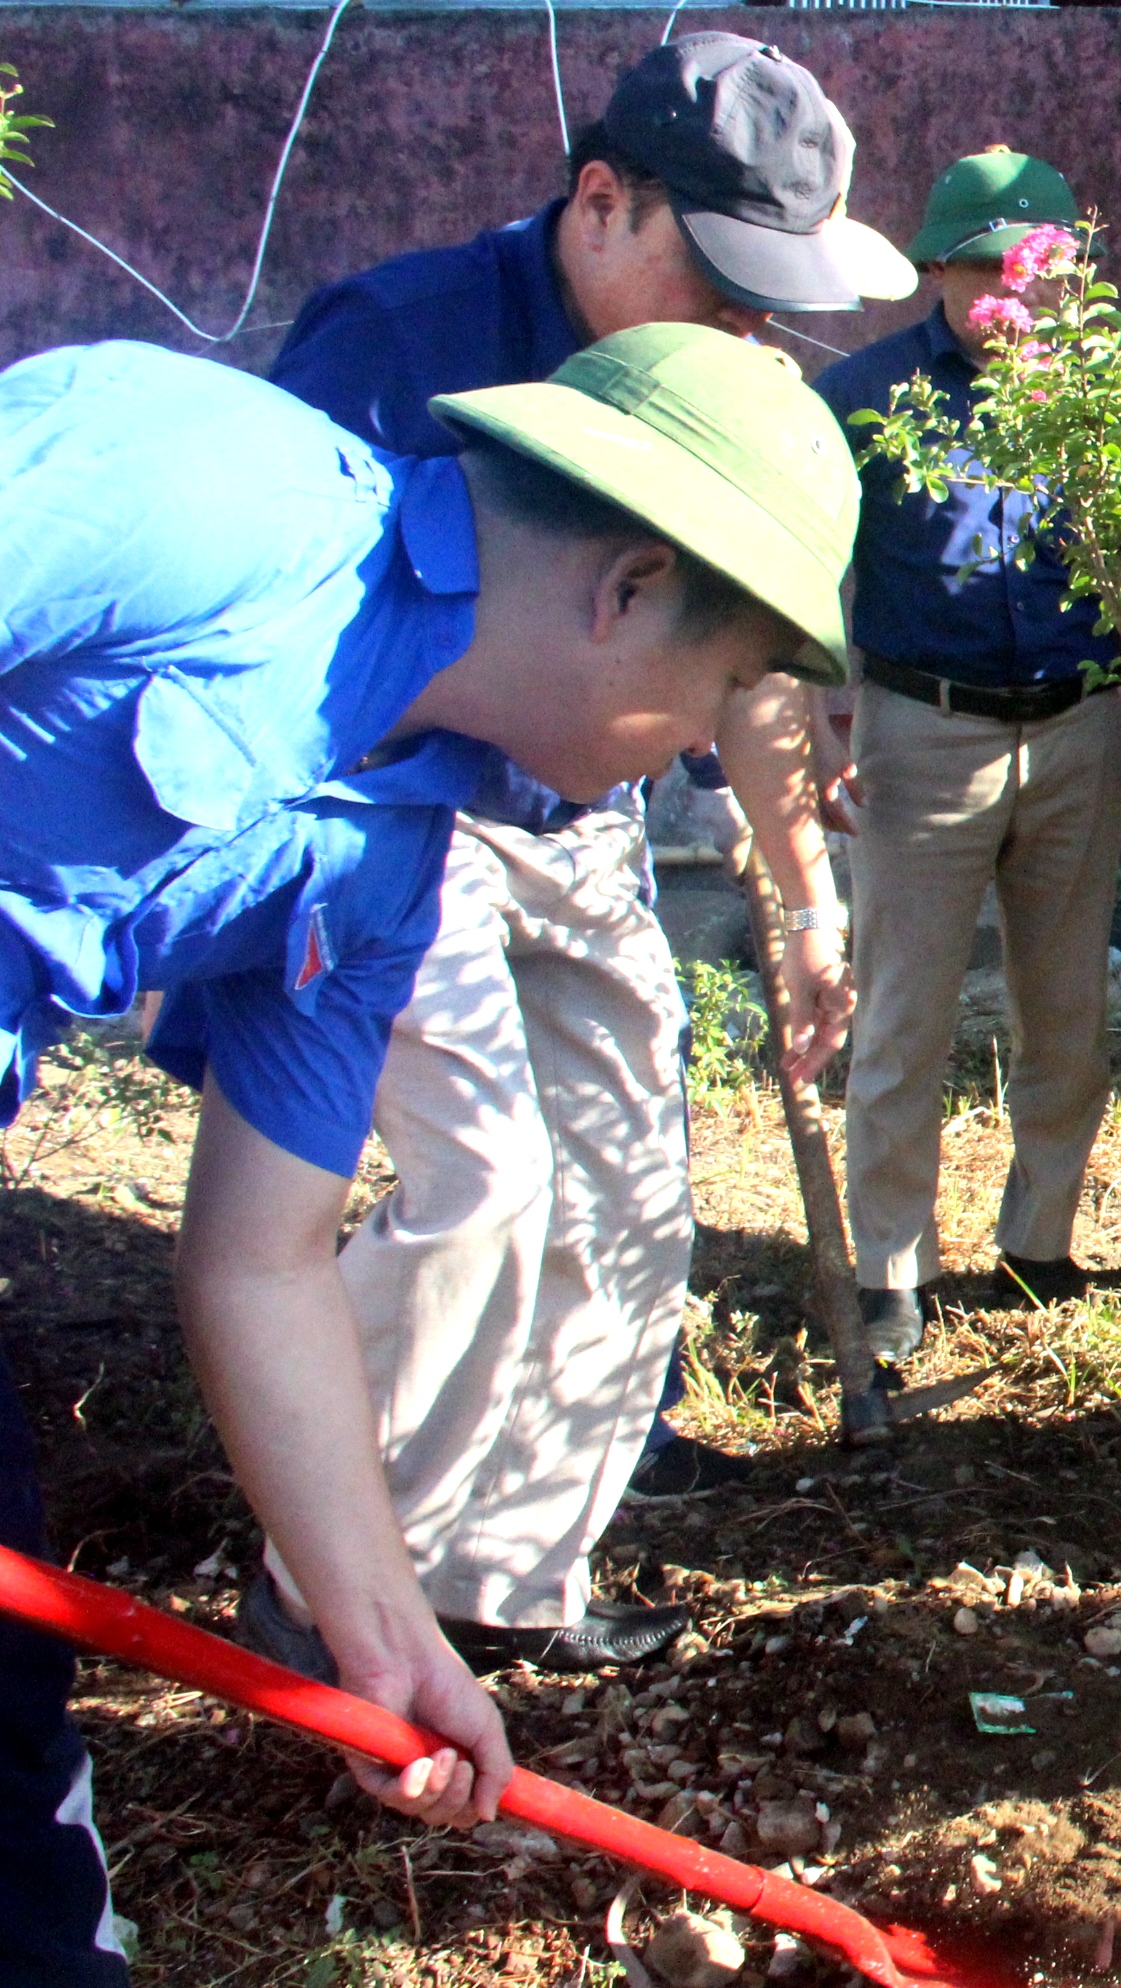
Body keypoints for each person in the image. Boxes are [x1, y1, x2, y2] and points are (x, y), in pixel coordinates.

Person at [0, 323, 856, 1984]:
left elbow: (263, 1255)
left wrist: (378, 1632)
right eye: (725, 688)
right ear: (625, 589)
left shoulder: (383, 862)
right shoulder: (195, 488)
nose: (698, 746)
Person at [254, 32, 907, 1674]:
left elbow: (734, 662)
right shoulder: (402, 344)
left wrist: (806, 897)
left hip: (577, 818)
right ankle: (337, 1582)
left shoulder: (724, 384)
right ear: (602, 203)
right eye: (725, 282)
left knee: (627, 1188)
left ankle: (510, 1571)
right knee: (485, 1183)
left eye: (775, 299)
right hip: (395, 810)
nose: (751, 331)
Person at [816, 148, 1121, 1383]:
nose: (1015, 291)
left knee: (1068, 1008)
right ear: (937, 269)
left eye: (1040, 268)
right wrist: (814, 718)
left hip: (1076, 727)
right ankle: (892, 1264)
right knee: (905, 1011)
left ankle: (1039, 1241)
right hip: (920, 728)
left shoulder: (1116, 397)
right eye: (989, 266)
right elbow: (809, 563)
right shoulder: (862, 395)